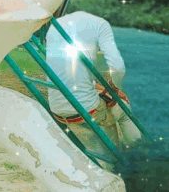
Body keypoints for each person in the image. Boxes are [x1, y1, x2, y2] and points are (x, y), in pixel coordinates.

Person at [45, 11, 142, 170]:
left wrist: (104, 88)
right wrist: (115, 89)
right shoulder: (101, 24)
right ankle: (131, 150)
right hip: (86, 111)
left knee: (103, 103)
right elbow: (118, 68)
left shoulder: (54, 28)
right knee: (122, 105)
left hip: (57, 108)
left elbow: (73, 76)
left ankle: (106, 155)